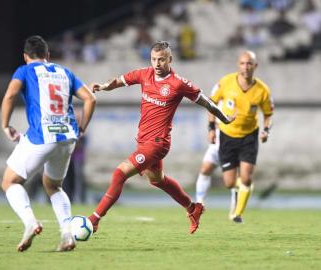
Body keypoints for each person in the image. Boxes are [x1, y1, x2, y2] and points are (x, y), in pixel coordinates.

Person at [88, 41, 235, 234]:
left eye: (161, 60)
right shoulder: (144, 74)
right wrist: (104, 86)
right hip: (143, 139)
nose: (157, 64)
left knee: (119, 173)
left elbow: (207, 102)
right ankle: (193, 208)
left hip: (157, 143)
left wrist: (223, 118)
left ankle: (94, 220)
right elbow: (120, 81)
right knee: (157, 180)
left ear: (170, 60)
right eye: (154, 59)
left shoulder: (178, 83)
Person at [0, 35, 96, 252]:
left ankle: (30, 222)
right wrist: (82, 128)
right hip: (67, 136)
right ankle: (67, 235)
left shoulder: (24, 71)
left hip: (42, 136)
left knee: (9, 181)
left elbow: (9, 96)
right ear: (48, 55)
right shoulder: (65, 72)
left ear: (25, 57)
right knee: (53, 186)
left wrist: (6, 125)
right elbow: (90, 99)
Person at [207, 50, 273, 223]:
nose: (246, 67)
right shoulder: (226, 82)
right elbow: (211, 103)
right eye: (243, 63)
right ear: (238, 65)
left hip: (249, 136)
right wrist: (211, 128)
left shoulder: (262, 90)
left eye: (249, 63)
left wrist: (266, 130)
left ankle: (237, 214)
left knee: (246, 177)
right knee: (229, 182)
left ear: (255, 66)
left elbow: (268, 114)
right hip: (227, 135)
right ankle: (240, 190)